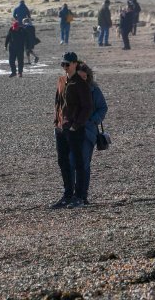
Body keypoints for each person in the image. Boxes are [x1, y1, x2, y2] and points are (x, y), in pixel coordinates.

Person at [51, 51, 94, 209]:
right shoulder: (61, 80)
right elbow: (58, 102)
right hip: (61, 128)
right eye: (63, 64)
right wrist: (57, 122)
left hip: (75, 129)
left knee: (78, 162)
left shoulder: (80, 83)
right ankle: (67, 194)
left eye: (67, 64)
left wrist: (77, 125)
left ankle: (80, 196)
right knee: (63, 162)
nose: (65, 67)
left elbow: (87, 107)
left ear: (75, 64)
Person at [74, 61, 106, 206]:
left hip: (88, 132)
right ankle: (73, 194)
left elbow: (103, 108)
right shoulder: (69, 88)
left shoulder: (94, 90)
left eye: (84, 77)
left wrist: (93, 121)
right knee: (71, 162)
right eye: (79, 77)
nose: (82, 80)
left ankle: (82, 195)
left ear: (88, 77)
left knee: (84, 164)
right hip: (72, 131)